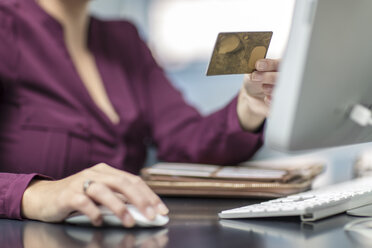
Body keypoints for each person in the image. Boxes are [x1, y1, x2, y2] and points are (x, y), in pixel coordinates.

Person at [0, 0, 279, 227]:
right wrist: (36, 194)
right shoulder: (6, 27)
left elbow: (186, 138)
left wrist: (249, 104)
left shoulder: (125, 39)